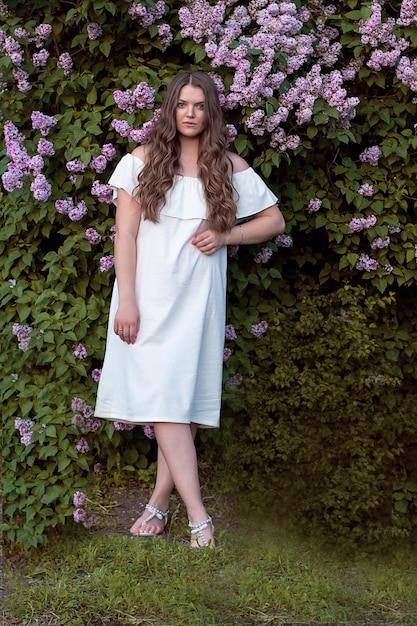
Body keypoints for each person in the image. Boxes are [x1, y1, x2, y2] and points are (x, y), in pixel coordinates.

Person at [94, 70, 285, 547]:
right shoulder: (142, 161)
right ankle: (199, 516)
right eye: (183, 104)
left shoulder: (227, 166)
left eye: (199, 105)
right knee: (168, 404)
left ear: (211, 112)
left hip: (197, 299)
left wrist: (227, 235)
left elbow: (274, 220)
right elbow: (127, 236)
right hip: (148, 299)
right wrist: (129, 300)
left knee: (177, 403)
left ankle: (159, 507)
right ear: (170, 109)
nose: (191, 114)